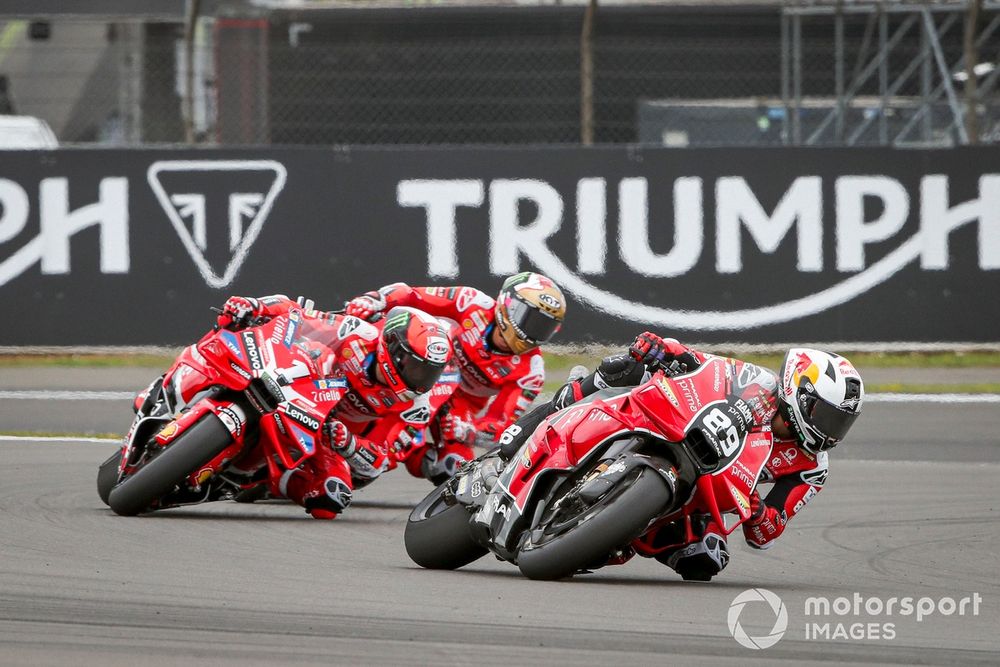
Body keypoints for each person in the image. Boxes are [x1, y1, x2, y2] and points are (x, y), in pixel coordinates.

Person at [498, 332, 864, 581]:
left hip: (704, 490)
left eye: (841, 423)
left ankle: (592, 537)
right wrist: (665, 350)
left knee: (707, 558)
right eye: (826, 416)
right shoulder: (756, 380)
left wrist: (755, 509)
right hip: (673, 425)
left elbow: (767, 534)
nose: (831, 431)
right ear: (798, 393)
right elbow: (701, 363)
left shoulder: (812, 467)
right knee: (624, 368)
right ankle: (538, 419)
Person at [216, 294, 453, 518]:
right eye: (416, 367)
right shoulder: (356, 332)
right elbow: (296, 314)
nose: (421, 378)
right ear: (394, 349)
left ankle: (271, 481)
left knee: (331, 497)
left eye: (430, 372)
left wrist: (349, 443)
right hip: (296, 391)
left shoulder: (417, 408)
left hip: (326, 437)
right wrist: (256, 306)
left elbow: (380, 462)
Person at [345, 272, 566, 483]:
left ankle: (422, 459)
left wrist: (469, 430)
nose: (533, 332)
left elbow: (501, 425)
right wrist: (376, 300)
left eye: (543, 327)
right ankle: (359, 448)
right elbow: (412, 295)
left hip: (460, 409)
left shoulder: (532, 371)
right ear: (509, 304)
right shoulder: (471, 302)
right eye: (530, 320)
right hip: (411, 374)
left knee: (457, 468)